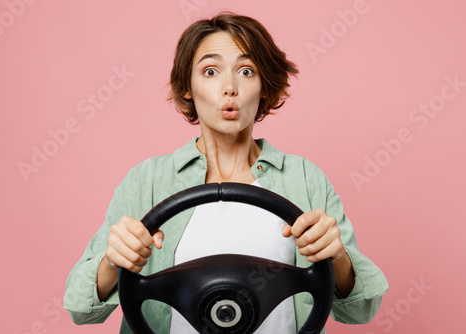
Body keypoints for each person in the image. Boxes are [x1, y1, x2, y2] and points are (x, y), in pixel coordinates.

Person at [64, 12, 388, 334]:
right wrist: (112, 261)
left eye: (246, 71)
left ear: (263, 88)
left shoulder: (305, 179)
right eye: (210, 71)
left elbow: (361, 310)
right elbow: (81, 310)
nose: (230, 87)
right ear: (188, 87)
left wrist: (338, 257)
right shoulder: (146, 182)